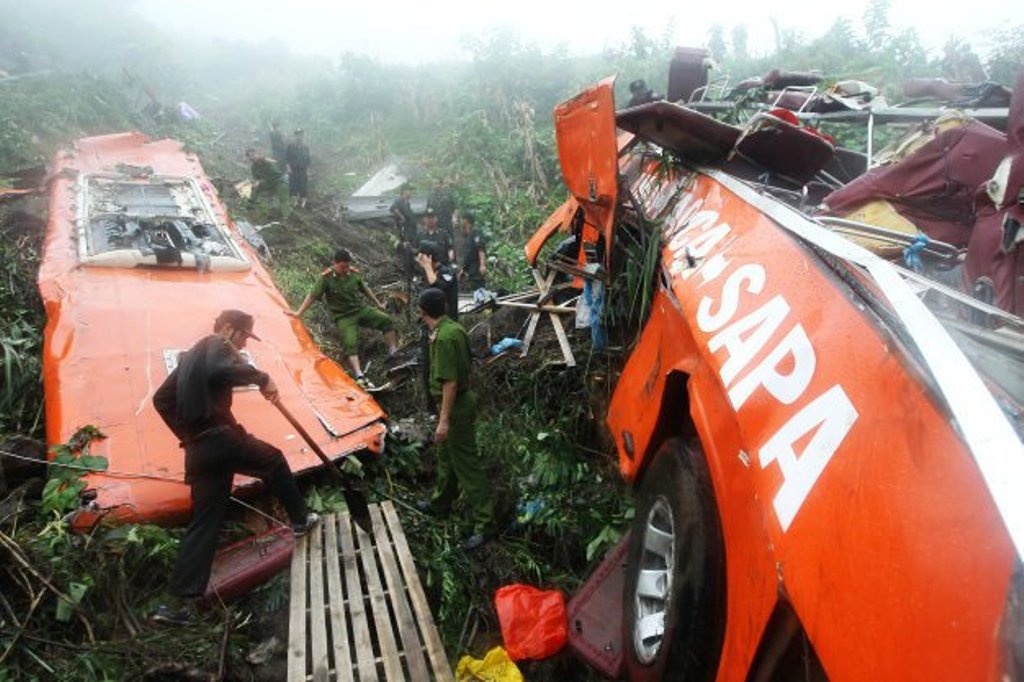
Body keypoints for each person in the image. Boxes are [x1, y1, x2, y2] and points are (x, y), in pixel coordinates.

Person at [151, 310, 319, 625]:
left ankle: (178, 606)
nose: (242, 345)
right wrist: (261, 377)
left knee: (205, 523)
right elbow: (220, 369)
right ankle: (301, 520)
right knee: (274, 460)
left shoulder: (187, 359)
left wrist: (189, 436)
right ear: (228, 328)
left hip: (198, 450)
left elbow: (161, 399)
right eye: (242, 336)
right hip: (221, 439)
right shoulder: (217, 344)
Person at [416, 288, 493, 551]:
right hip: (454, 404)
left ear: (422, 311)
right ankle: (441, 503)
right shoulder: (453, 328)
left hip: (455, 406)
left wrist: (444, 420)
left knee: (466, 464)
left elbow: (450, 382)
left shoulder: (445, 337)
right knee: (447, 458)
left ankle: (486, 522)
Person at [286, 249, 398, 389]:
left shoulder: (354, 274)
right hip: (343, 316)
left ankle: (394, 353)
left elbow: (365, 289)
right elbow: (313, 296)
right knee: (350, 343)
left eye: (347, 266)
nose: (345, 270)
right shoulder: (326, 278)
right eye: (342, 267)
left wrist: (378, 304)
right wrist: (299, 312)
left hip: (360, 310)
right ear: (334, 263)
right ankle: (359, 375)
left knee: (386, 320)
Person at [415, 242, 459, 414]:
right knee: (427, 367)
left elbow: (439, 289)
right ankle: (432, 409)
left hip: (445, 327)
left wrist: (427, 267)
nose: (420, 262)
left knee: (443, 369)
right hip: (430, 327)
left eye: (422, 258)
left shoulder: (446, 272)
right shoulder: (428, 274)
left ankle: (445, 408)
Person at [245, 147, 290, 218]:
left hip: (279, 180)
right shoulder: (254, 167)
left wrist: (261, 181)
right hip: (269, 183)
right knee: (255, 188)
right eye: (250, 156)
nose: (252, 157)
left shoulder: (266, 161)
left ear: (257, 154)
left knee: (284, 199)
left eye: (253, 155)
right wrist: (256, 183)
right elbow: (256, 179)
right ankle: (250, 206)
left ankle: (286, 216)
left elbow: (275, 172)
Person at [390, 186, 418, 277]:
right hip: (405, 231)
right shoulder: (399, 201)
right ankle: (408, 274)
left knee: (412, 251)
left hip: (412, 231)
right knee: (407, 251)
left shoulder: (407, 203)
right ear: (404, 191)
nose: (410, 193)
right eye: (409, 191)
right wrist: (401, 216)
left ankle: (412, 271)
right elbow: (393, 208)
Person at [459, 212, 488, 291]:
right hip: (470, 269)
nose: (461, 222)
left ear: (467, 221)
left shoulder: (476, 233)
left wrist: (482, 265)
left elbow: (481, 249)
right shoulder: (467, 236)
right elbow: (467, 254)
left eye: (462, 219)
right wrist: (463, 269)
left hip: (476, 267)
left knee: (479, 288)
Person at [286, 128, 311, 209]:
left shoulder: (306, 148)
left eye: (301, 135)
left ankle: (303, 203)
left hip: (303, 170)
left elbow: (308, 161)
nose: (299, 137)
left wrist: (307, 171)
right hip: (293, 170)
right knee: (293, 186)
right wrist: (288, 168)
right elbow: (287, 159)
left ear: (303, 136)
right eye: (297, 135)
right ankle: (294, 202)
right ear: (295, 136)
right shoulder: (290, 147)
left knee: (303, 186)